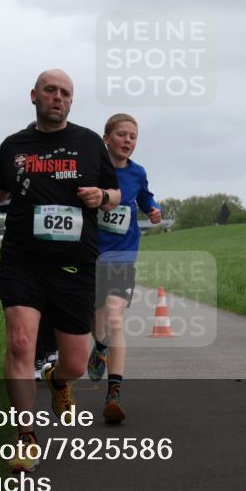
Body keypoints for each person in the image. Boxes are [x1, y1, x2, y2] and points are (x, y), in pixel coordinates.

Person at [0, 69, 120, 473]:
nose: (58, 97)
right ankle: (26, 435)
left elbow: (115, 192)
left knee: (77, 361)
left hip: (73, 263)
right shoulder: (14, 146)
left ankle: (57, 379)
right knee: (20, 343)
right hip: (22, 259)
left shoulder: (88, 142)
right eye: (50, 90)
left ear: (72, 101)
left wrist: (102, 195)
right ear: (33, 96)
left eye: (65, 93)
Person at [86, 113, 162, 424]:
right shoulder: (91, 170)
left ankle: (113, 392)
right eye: (121, 134)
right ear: (106, 138)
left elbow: (144, 196)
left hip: (123, 256)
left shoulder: (137, 172)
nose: (128, 140)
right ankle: (99, 344)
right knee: (96, 318)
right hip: (90, 255)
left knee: (115, 317)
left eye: (133, 136)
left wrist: (153, 208)